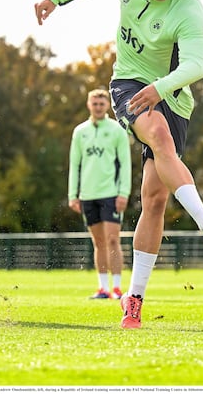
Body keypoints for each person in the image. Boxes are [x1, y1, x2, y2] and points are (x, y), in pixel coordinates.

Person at [35, 0, 203, 329]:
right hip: (128, 84)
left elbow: (196, 65)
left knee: (155, 200)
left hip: (174, 99)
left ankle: (133, 299)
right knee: (159, 135)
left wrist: (161, 88)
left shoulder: (189, 8)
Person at [69, 88, 132, 300]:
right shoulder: (80, 131)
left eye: (101, 103)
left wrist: (124, 193)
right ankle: (102, 288)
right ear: (89, 105)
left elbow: (125, 164)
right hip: (87, 195)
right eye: (94, 103)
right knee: (98, 243)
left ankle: (116, 287)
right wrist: (73, 195)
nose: (98, 107)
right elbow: (74, 164)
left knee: (113, 240)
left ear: (107, 105)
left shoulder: (117, 130)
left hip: (111, 194)